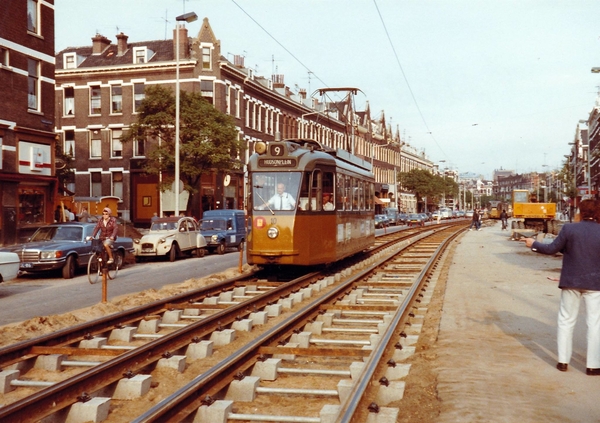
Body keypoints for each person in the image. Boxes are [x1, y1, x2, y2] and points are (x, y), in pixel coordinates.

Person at [521, 199, 600, 375]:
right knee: (595, 324)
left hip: (571, 282)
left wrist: (533, 244)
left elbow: (551, 249)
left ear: (580, 212)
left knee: (566, 321)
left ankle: (563, 362)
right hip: (596, 284)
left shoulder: (570, 229)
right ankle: (593, 366)